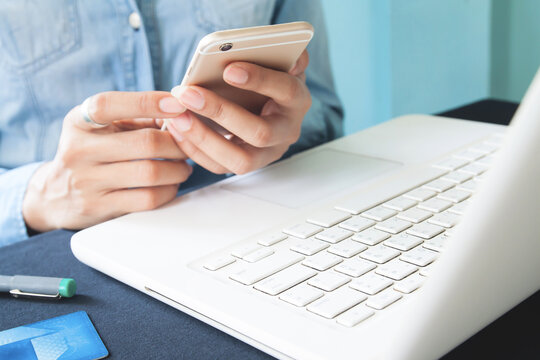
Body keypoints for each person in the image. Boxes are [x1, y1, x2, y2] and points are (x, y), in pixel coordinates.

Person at [0, 0, 343, 246]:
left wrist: (281, 132)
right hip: (55, 246)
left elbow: (322, 109)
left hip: (246, 221)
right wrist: (38, 195)